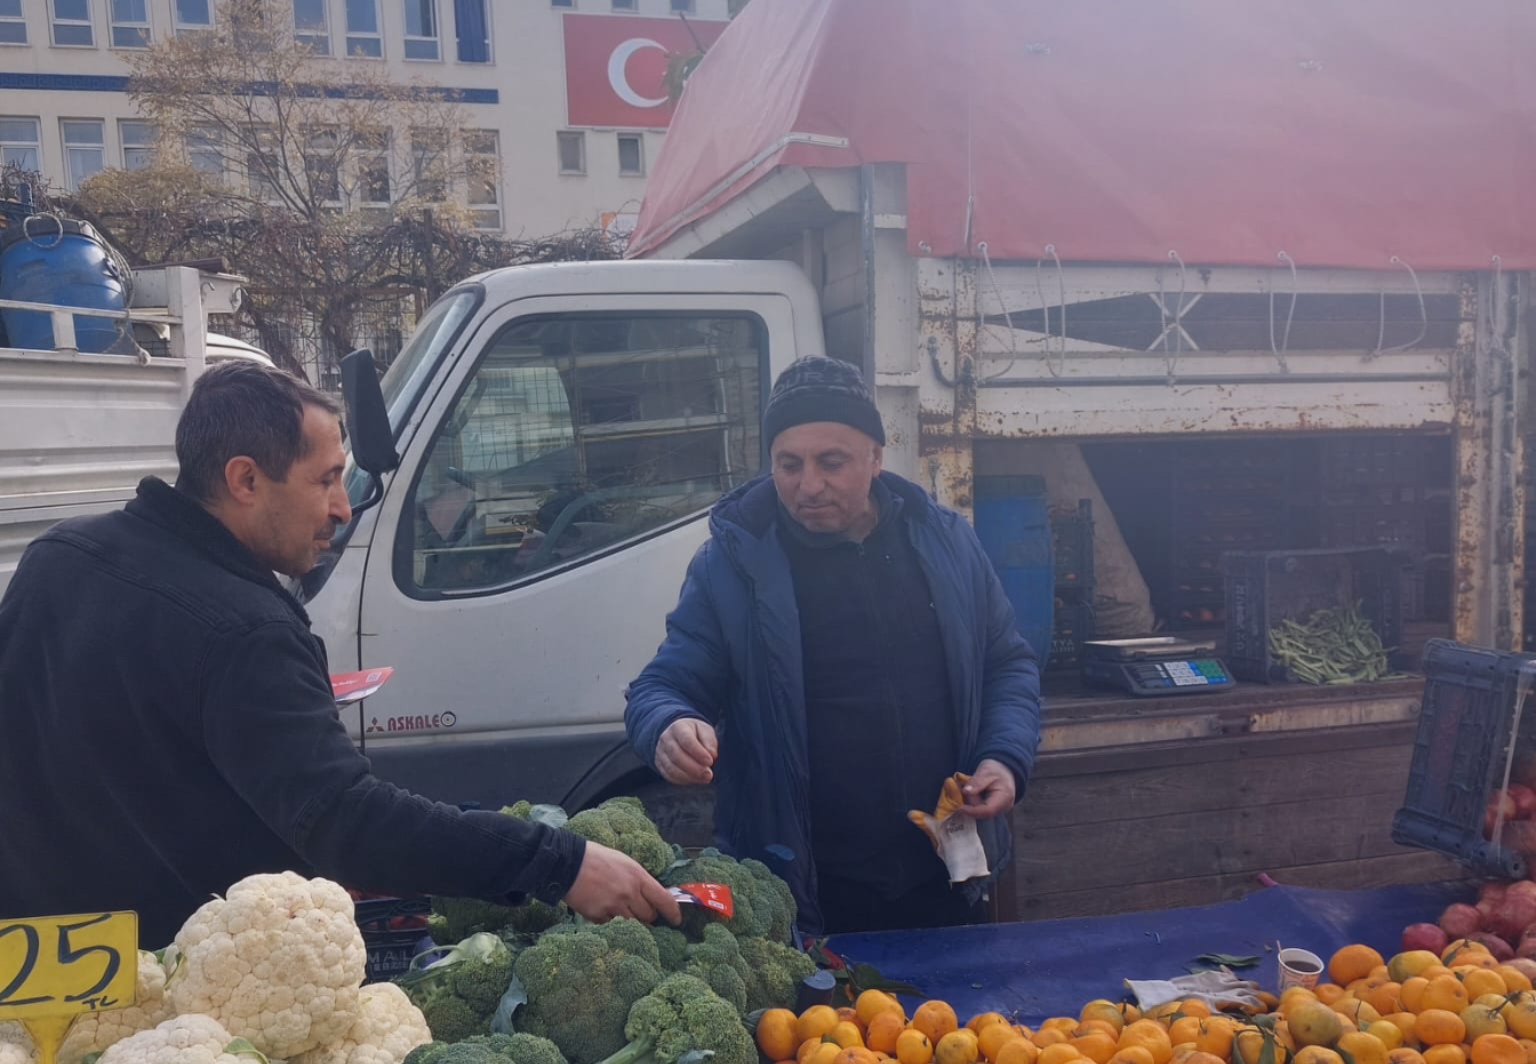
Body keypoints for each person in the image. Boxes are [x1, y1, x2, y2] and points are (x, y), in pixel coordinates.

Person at [0, 360, 679, 945]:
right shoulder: (247, 631)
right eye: (325, 480)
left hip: (35, 962)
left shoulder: (58, 555)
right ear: (245, 480)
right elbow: (346, 821)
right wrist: (558, 863)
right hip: (175, 984)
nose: (342, 508)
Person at [625, 356, 1041, 935]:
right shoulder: (734, 565)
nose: (809, 486)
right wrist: (668, 726)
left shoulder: (946, 543)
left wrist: (1004, 756)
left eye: (832, 462)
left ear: (876, 457)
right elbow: (661, 686)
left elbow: (1007, 665)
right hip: (804, 891)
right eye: (789, 464)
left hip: (945, 875)